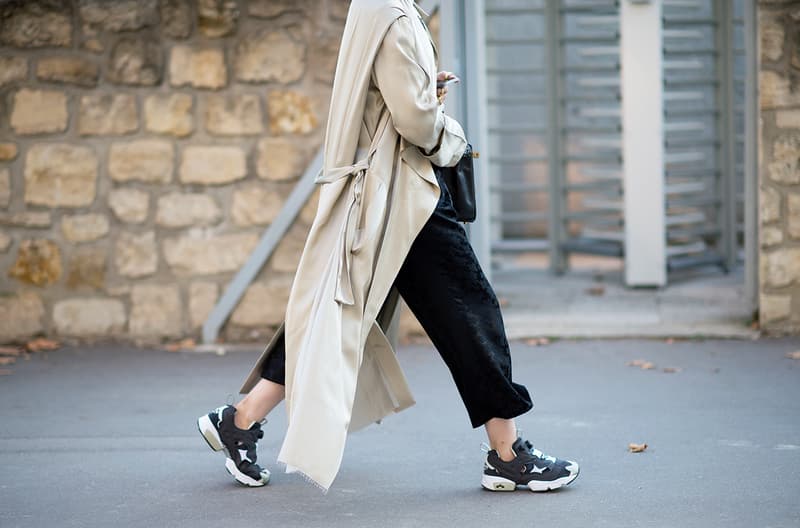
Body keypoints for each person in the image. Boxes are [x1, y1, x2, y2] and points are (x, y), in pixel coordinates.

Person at [197, 0, 579, 493]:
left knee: (336, 312)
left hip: (382, 197)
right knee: (471, 311)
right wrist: (454, 141)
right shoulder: (396, 16)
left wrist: (421, 87)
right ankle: (506, 454)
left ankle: (241, 420)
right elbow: (415, 122)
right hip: (407, 194)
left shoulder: (374, 8)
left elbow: (386, 96)